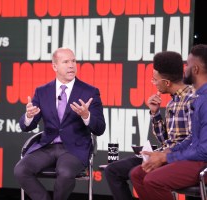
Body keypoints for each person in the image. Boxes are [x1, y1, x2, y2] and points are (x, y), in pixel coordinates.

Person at [13, 47, 106, 200]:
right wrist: (29, 116)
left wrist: (86, 115)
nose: (71, 65)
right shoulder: (42, 91)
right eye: (66, 62)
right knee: (21, 170)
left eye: (73, 61)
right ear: (55, 66)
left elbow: (100, 128)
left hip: (74, 148)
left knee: (66, 172)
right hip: (47, 146)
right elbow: (26, 126)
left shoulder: (89, 92)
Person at [104, 51, 195, 200]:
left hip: (178, 159)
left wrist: (166, 155)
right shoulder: (173, 102)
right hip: (164, 153)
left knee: (139, 174)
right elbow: (165, 139)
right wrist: (155, 113)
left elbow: (193, 139)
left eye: (154, 79)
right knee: (112, 171)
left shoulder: (191, 99)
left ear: (166, 82)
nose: (153, 83)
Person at [130, 44, 207, 200]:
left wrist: (166, 158)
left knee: (153, 180)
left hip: (202, 162)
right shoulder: (199, 98)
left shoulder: (203, 100)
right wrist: (167, 152)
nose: (183, 70)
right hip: (195, 157)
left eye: (188, 65)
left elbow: (203, 150)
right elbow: (193, 138)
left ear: (196, 70)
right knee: (137, 174)